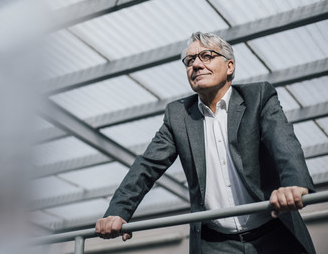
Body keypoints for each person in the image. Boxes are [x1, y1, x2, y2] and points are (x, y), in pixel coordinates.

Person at [95, 32, 316, 254]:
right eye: (190, 61)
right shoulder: (178, 115)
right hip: (216, 244)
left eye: (207, 56)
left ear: (230, 66)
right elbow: (147, 165)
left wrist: (293, 183)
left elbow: (283, 140)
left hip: (274, 233)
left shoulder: (258, 96)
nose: (196, 65)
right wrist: (118, 211)